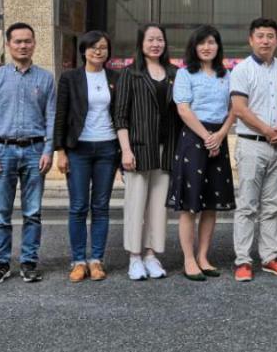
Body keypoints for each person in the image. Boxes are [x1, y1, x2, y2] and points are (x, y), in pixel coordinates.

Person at [0, 23, 55, 285]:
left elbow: (51, 117)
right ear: (8, 45)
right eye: (18, 41)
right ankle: (0, 263)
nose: (23, 46)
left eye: (28, 41)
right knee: (1, 213)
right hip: (2, 151)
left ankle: (29, 262)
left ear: (34, 43)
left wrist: (49, 150)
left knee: (33, 212)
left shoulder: (46, 78)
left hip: (35, 151)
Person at [229, 18, 277, 281]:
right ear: (251, 40)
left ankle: (269, 257)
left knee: (272, 205)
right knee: (247, 205)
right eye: (260, 36)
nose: (265, 41)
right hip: (251, 144)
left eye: (270, 36)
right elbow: (239, 109)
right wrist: (268, 131)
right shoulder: (241, 70)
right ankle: (243, 261)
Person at [53, 30, 120, 283]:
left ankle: (97, 260)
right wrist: (60, 151)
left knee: (101, 207)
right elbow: (61, 115)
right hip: (78, 149)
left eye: (103, 47)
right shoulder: (70, 78)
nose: (98, 51)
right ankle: (79, 260)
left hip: (107, 148)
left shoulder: (115, 77)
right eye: (93, 47)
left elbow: (121, 113)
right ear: (83, 51)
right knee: (79, 206)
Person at [114, 24, 180, 281]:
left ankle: (151, 255)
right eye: (150, 39)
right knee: (135, 204)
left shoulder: (175, 73)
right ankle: (134, 257)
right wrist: (125, 150)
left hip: (167, 149)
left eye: (160, 39)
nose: (156, 44)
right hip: (139, 148)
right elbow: (120, 116)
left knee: (159, 207)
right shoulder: (130, 74)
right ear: (141, 43)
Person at [171, 25, 236, 281]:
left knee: (211, 204)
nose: (207, 47)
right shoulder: (185, 73)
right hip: (193, 138)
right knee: (190, 204)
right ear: (194, 47)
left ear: (218, 46)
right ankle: (188, 259)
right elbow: (183, 109)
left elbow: (235, 108)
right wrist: (207, 136)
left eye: (211, 42)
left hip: (219, 138)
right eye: (202, 43)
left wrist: (220, 134)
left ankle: (203, 257)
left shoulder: (226, 74)